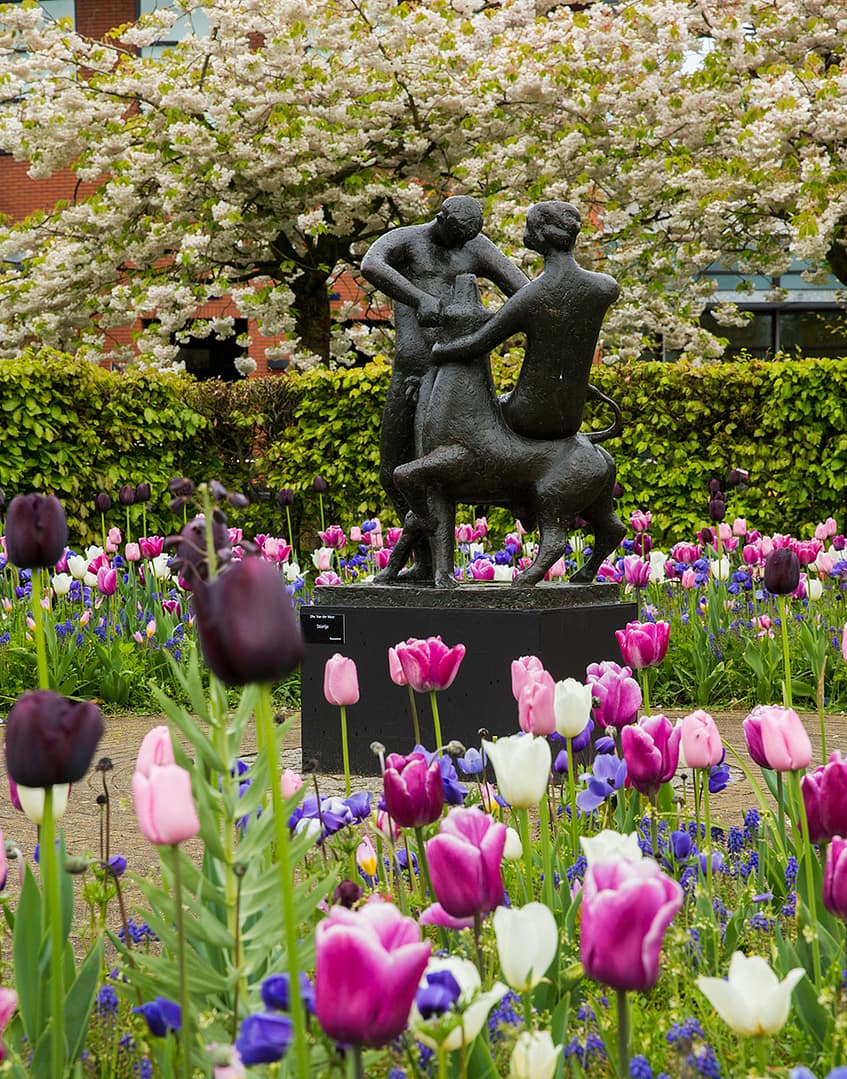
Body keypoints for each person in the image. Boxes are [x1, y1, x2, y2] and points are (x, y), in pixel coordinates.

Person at [361, 196, 528, 581]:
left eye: (466, 239)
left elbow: (522, 291)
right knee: (392, 472)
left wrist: (486, 327)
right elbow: (371, 264)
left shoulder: (476, 246)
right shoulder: (409, 241)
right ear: (440, 219)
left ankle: (437, 568)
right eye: (454, 237)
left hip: (450, 376)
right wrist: (418, 297)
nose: (459, 247)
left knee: (428, 473)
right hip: (410, 368)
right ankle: (423, 561)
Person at [431, 200, 619, 440]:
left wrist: (438, 351)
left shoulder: (531, 297)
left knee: (468, 417)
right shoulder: (605, 287)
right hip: (571, 416)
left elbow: (475, 345)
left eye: (528, 226)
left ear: (539, 236)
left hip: (529, 416)